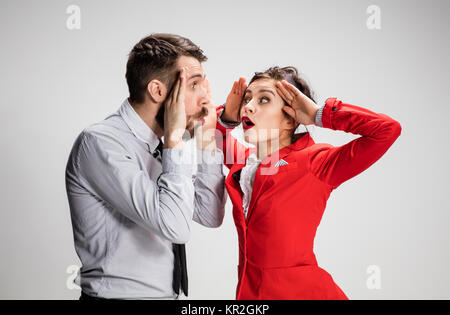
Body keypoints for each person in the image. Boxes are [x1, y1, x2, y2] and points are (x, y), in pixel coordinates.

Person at [216, 66, 402, 299]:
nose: (249, 106)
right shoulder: (244, 163)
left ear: (290, 116)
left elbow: (387, 130)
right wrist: (227, 116)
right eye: (247, 99)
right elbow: (215, 134)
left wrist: (319, 115)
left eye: (264, 99)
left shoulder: (316, 161)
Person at [65, 33, 226, 300]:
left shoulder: (161, 145)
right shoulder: (101, 143)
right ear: (158, 91)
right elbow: (175, 227)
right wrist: (174, 140)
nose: (206, 99)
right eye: (194, 85)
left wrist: (207, 138)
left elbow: (209, 214)